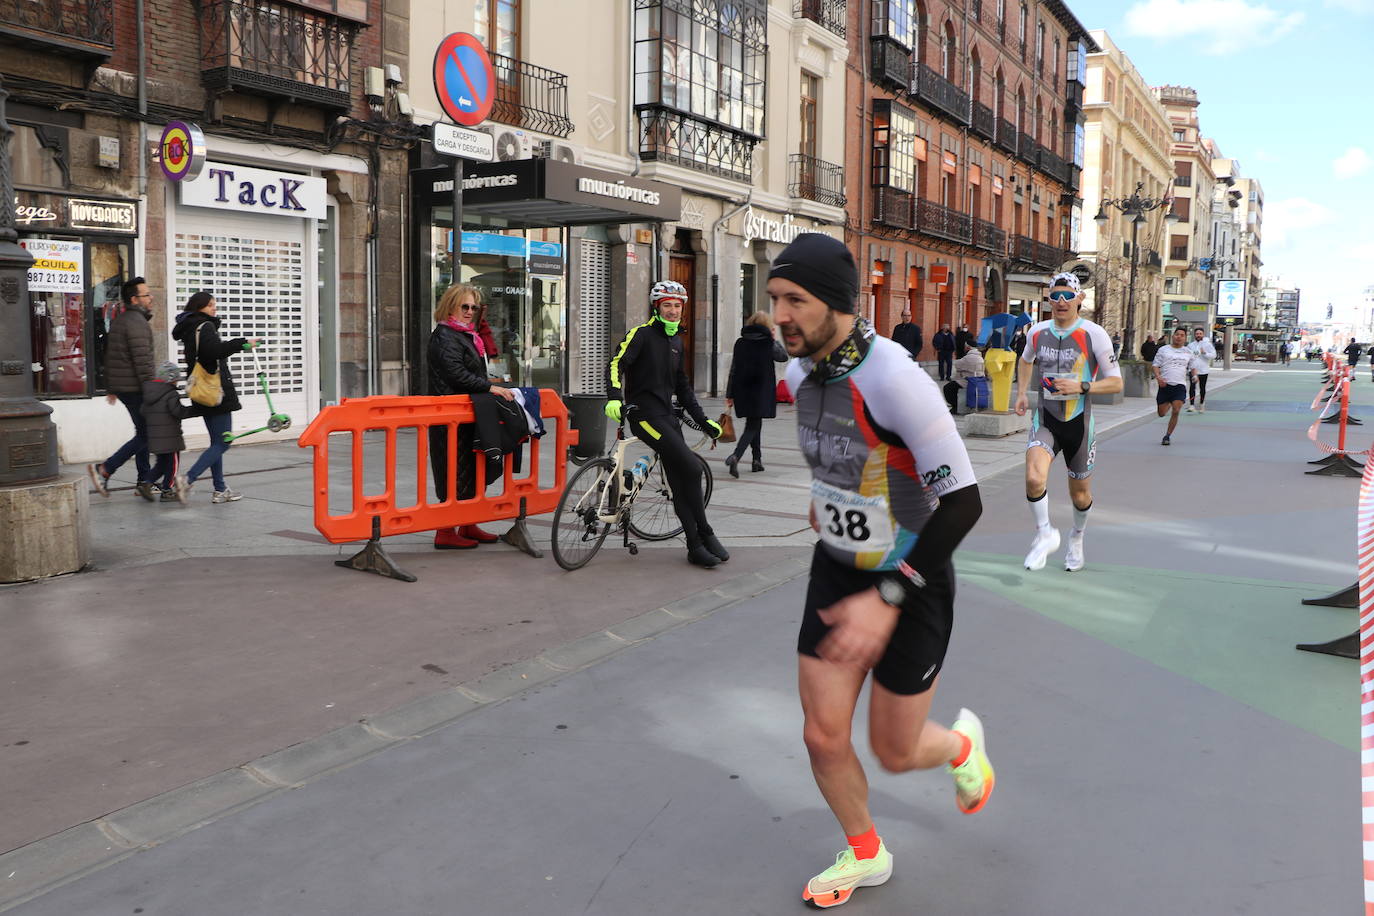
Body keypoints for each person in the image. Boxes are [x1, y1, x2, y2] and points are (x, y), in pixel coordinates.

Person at [768, 233, 991, 910]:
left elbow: (962, 504)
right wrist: (828, 499)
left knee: (894, 751)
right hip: (838, 570)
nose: (780, 315)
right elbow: (844, 453)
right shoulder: (804, 371)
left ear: (837, 304)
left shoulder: (897, 380)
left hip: (912, 578)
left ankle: (958, 745)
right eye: (774, 298)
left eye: (795, 300)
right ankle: (866, 851)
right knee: (821, 733)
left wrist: (889, 595)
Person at [605, 279, 727, 568]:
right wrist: (613, 397)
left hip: (668, 417)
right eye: (667, 305)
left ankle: (696, 545)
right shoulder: (641, 335)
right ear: (657, 307)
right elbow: (615, 364)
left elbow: (683, 387)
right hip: (644, 416)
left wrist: (704, 420)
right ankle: (705, 533)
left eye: (677, 306)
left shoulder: (676, 342)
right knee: (693, 467)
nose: (673, 311)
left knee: (682, 478)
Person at [1014, 272, 1123, 572]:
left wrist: (1082, 387)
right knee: (1035, 478)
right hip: (1046, 420)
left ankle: (1077, 536)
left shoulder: (1093, 334)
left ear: (1079, 299)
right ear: (1048, 299)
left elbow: (1115, 383)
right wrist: (1022, 393)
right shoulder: (1036, 332)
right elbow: (1025, 360)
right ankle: (1044, 533)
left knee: (1080, 494)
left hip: (1079, 424)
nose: (1061, 302)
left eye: (1067, 296)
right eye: (1055, 296)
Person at [427, 284, 515, 550]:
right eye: (464, 306)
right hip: (449, 417)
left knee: (471, 470)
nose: (469, 311)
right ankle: (444, 531)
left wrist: (489, 383)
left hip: (468, 414)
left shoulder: (466, 335)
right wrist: (489, 386)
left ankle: (467, 523)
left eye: (474, 308)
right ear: (451, 305)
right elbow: (456, 374)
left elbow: (470, 373)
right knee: (452, 472)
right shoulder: (445, 335)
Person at [172, 291, 260, 503]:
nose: (215, 308)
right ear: (199, 307)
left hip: (201, 391)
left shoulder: (189, 326)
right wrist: (242, 343)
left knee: (216, 442)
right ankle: (187, 479)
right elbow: (214, 351)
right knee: (223, 443)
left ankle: (220, 488)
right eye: (211, 305)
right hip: (215, 392)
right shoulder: (205, 326)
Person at [88, 277, 156, 500]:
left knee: (143, 431)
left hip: (126, 386)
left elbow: (112, 356)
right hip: (136, 387)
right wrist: (151, 389)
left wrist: (112, 386)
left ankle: (144, 480)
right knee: (147, 434)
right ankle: (105, 469)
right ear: (135, 299)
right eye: (146, 295)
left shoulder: (124, 319)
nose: (151, 298)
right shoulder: (136, 322)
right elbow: (142, 360)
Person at [724, 311, 787, 476]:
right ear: (767, 326)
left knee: (754, 422)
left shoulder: (740, 342)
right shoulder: (768, 343)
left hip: (742, 390)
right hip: (761, 390)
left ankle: (756, 460)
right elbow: (783, 357)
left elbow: (733, 369)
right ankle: (736, 456)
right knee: (753, 425)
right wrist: (774, 339)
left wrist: (729, 394)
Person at [140, 361, 195, 504]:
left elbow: (143, 412)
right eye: (176, 380)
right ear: (171, 379)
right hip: (170, 437)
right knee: (172, 465)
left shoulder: (148, 392)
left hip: (155, 437)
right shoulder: (171, 393)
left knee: (161, 464)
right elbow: (177, 411)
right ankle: (167, 490)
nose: (177, 383)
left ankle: (147, 482)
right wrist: (193, 410)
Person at [1152, 327, 1192, 446]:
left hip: (1179, 385)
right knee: (1161, 413)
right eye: (1177, 334)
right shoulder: (1163, 350)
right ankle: (1169, 402)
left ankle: (1167, 436)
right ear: (1173, 336)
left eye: (1182, 335)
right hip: (1165, 385)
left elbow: (1192, 366)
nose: (1179, 337)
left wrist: (1194, 376)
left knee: (1176, 410)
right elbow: (1155, 365)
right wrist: (1158, 377)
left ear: (1185, 338)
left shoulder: (1187, 352)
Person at [943, 345, 986, 415]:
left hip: (969, 381)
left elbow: (957, 365)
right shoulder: (979, 357)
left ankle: (955, 406)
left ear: (968, 348)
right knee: (953, 385)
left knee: (948, 388)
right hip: (978, 380)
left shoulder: (969, 357)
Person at [1186, 327, 1217, 413]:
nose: (1198, 335)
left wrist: (1204, 353)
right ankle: (1191, 405)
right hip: (1193, 369)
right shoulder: (1190, 345)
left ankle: (1202, 404)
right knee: (1192, 387)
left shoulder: (1208, 345)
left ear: (1203, 334)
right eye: (1197, 334)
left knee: (1202, 388)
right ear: (1194, 335)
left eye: (1200, 334)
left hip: (1204, 370)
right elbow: (1187, 356)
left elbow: (1214, 355)